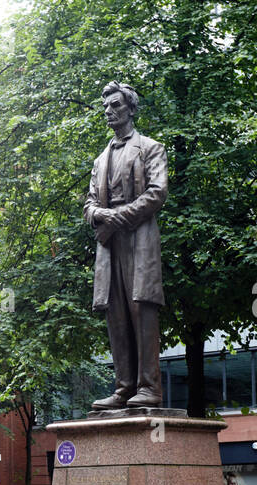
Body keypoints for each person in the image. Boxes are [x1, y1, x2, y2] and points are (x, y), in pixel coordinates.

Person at [84, 81, 169, 410]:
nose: (109, 111)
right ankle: (124, 387)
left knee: (141, 309)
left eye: (115, 105)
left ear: (131, 109)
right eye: (105, 106)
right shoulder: (101, 159)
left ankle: (149, 387)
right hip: (110, 247)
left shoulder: (150, 148)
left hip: (140, 240)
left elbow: (157, 193)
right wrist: (100, 216)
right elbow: (90, 205)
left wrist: (114, 219)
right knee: (116, 314)